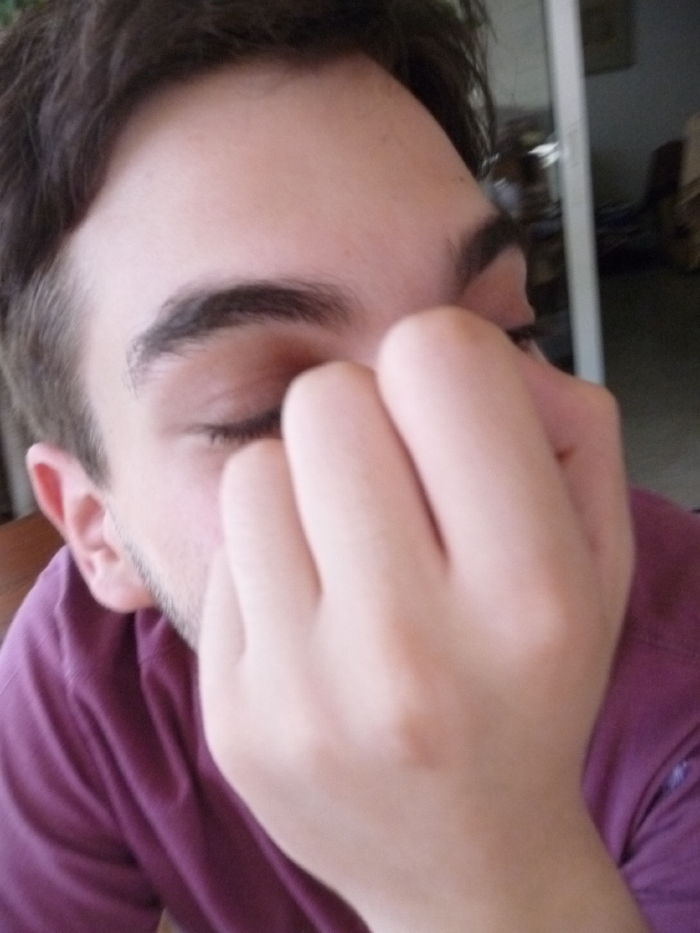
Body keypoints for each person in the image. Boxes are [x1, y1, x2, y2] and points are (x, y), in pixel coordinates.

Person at [0, 0, 698, 930]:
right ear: (96, 530)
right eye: (266, 408)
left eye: (504, 329)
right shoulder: (77, 679)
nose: (463, 448)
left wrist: (488, 873)